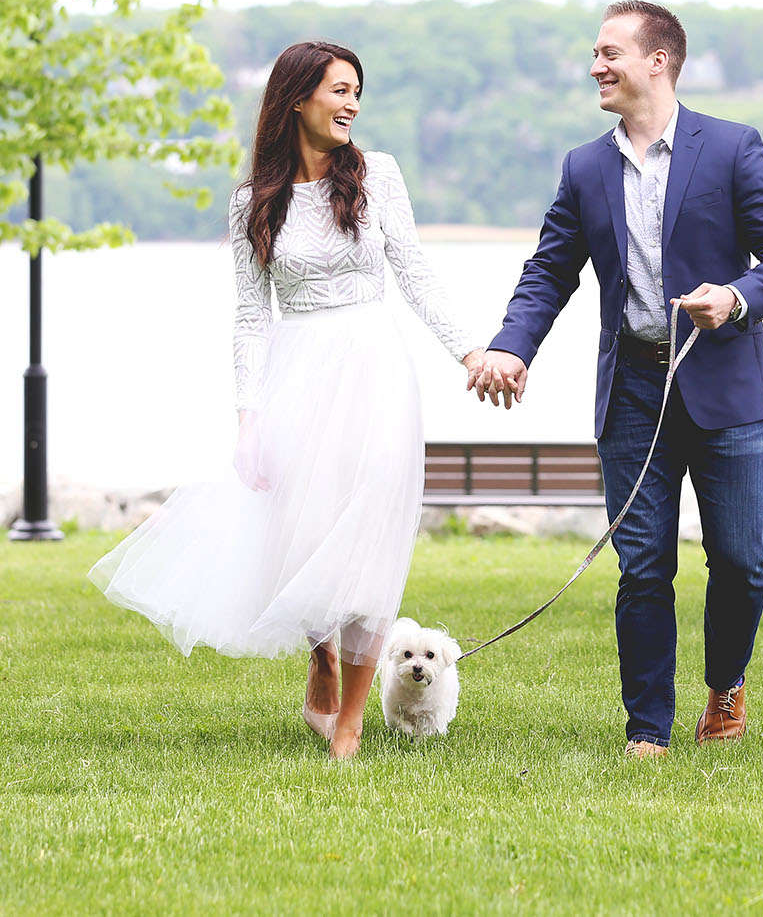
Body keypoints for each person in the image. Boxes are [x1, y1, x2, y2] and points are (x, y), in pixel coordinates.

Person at [90, 40, 484, 760]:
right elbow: (249, 315)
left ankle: (353, 723)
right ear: (298, 98)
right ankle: (322, 655)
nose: (352, 104)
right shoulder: (253, 202)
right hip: (295, 374)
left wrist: (471, 350)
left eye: (357, 91)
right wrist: (247, 418)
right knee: (304, 530)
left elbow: (416, 272)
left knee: (369, 537)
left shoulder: (380, 175)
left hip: (376, 370)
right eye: (339, 90)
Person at [468, 0, 763, 758]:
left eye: (609, 51)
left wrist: (738, 296)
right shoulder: (584, 167)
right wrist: (512, 345)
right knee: (644, 564)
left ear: (658, 60)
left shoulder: (730, 147)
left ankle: (726, 685)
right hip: (631, 392)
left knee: (743, 562)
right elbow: (549, 271)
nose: (596, 64)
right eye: (595, 53)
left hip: (727, 392)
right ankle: (647, 728)